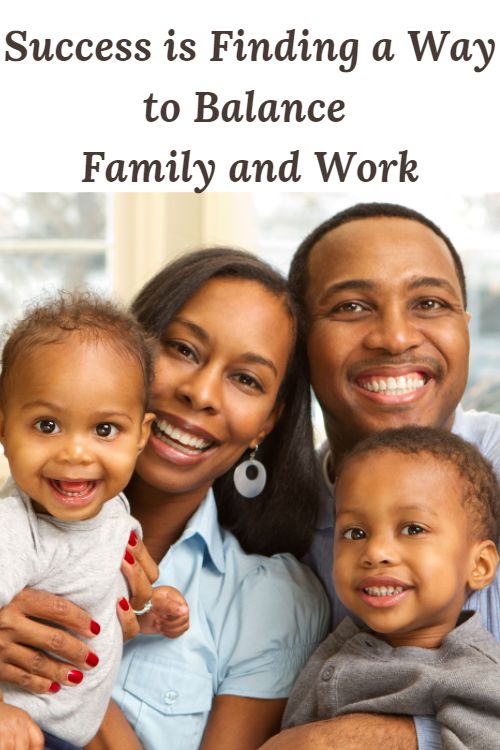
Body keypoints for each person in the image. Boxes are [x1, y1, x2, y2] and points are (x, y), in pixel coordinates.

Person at [0, 249, 329, 750]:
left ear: (267, 421)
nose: (201, 393)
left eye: (246, 379)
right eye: (182, 349)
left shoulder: (270, 600)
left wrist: (80, 656)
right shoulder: (13, 521)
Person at [261, 202, 500, 750]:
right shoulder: (270, 523)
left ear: (465, 328)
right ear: (299, 344)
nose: (394, 337)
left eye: (430, 303)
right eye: (350, 306)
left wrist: (382, 738)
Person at [0, 294, 188, 750]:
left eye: (105, 430)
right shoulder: (14, 527)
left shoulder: (115, 514)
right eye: (47, 425)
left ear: (141, 435)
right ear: (3, 429)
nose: (76, 453)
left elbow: (93, 609)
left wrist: (145, 613)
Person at [283, 426, 500, 749]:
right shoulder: (334, 649)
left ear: (479, 566)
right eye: (355, 533)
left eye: (413, 529)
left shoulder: (474, 676)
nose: (375, 553)